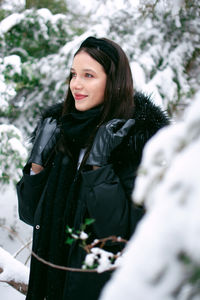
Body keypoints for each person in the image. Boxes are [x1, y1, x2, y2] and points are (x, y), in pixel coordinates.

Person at [16, 36, 169, 300]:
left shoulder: (140, 142)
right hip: (48, 285)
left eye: (89, 75)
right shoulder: (63, 131)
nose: (76, 84)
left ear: (113, 82)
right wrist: (37, 163)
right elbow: (31, 216)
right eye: (73, 74)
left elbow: (118, 235)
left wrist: (99, 166)